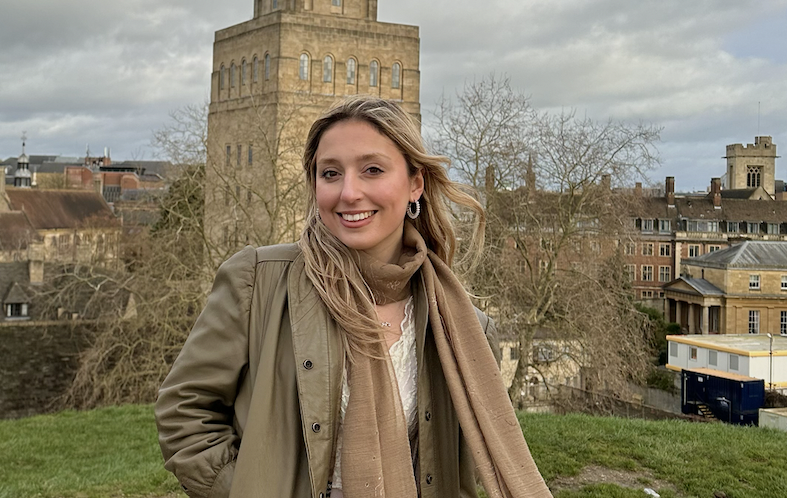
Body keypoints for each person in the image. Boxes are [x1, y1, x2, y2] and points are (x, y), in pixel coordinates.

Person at [156, 96, 551, 498]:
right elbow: (184, 412)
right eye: (330, 173)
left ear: (416, 183)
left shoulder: (461, 327)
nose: (349, 192)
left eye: (372, 170)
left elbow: (456, 471)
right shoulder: (257, 281)